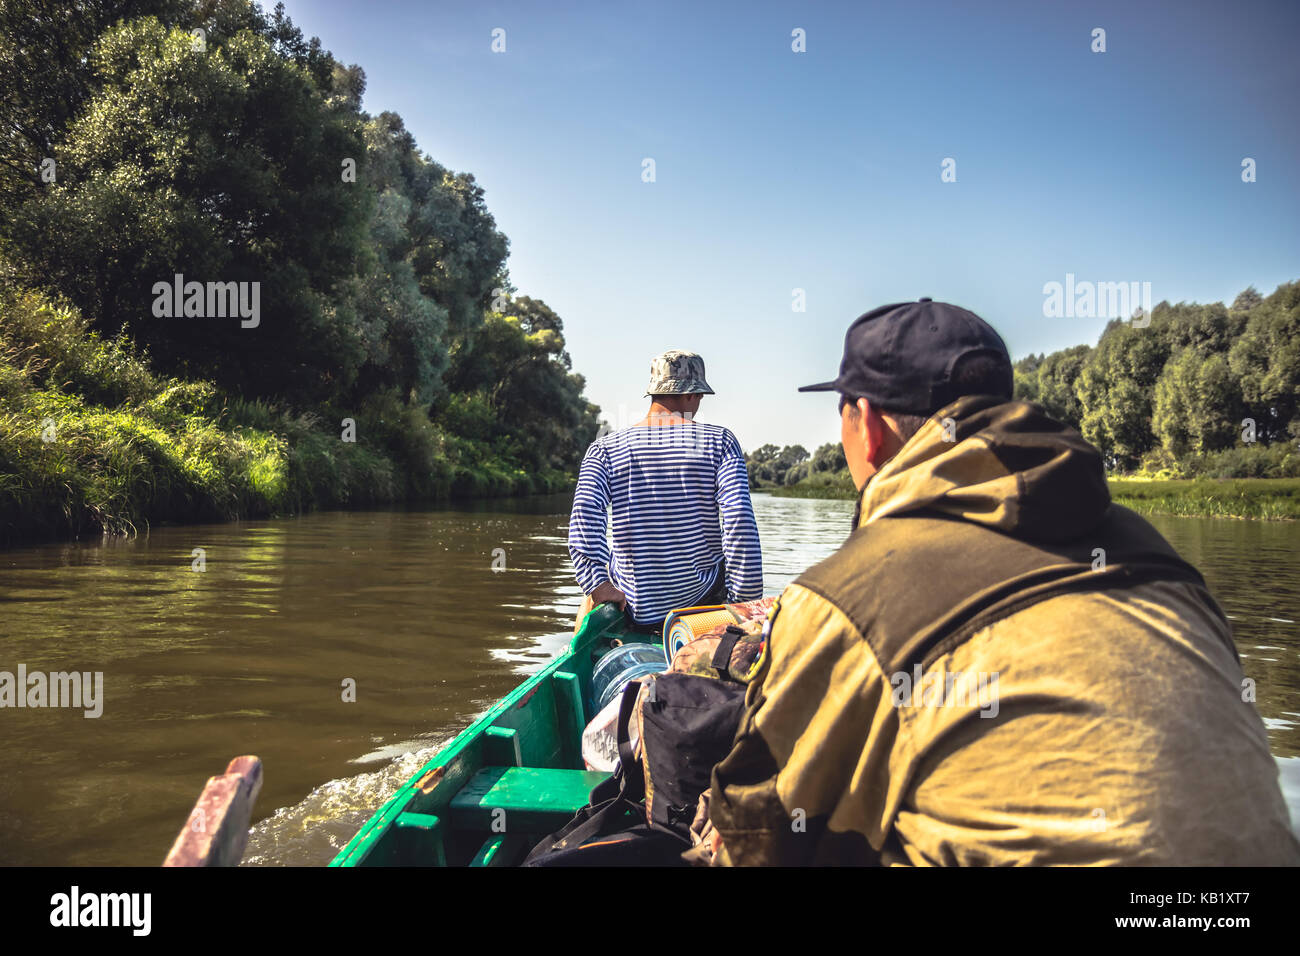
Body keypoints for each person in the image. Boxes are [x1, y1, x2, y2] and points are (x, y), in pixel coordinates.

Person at [700, 298, 1300, 866]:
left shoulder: (844, 597)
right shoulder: (1158, 554)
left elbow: (758, 835)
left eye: (843, 411)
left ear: (868, 427)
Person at [568, 349, 763, 635]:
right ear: (691, 395)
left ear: (654, 394)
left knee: (589, 596)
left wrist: (598, 584)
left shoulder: (604, 450)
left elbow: (584, 521)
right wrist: (743, 604)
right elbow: (739, 522)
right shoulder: (719, 442)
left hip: (634, 607)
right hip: (700, 606)